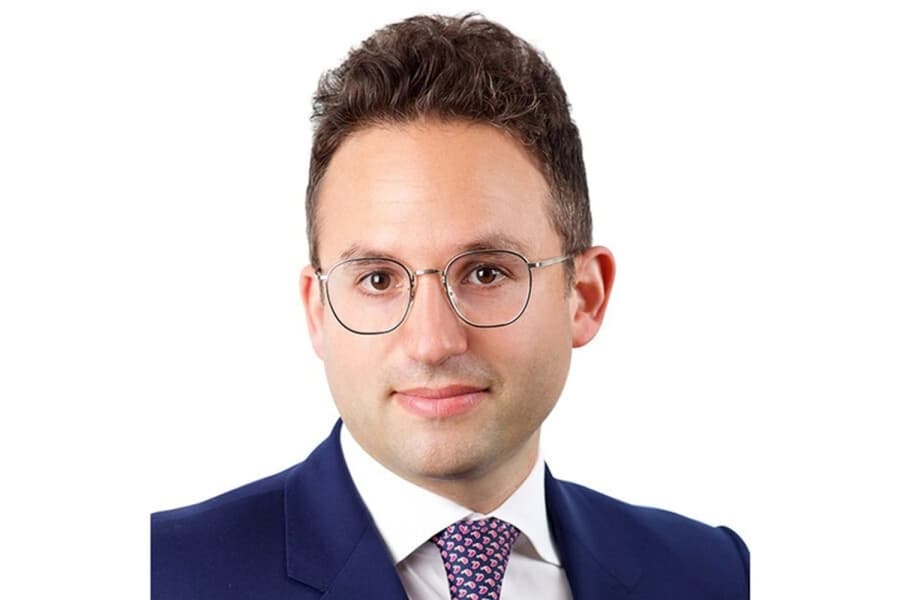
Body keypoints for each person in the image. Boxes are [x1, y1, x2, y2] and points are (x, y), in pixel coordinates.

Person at [151, 13, 749, 599]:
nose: (433, 342)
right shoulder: (154, 577)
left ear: (585, 296)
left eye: (486, 273)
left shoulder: (717, 574)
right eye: (378, 279)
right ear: (318, 311)